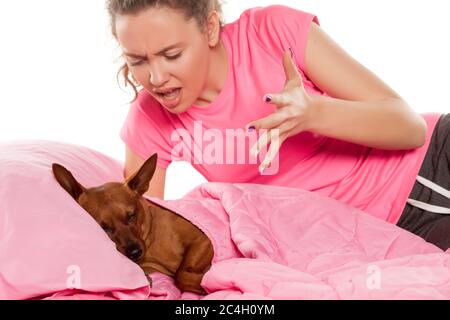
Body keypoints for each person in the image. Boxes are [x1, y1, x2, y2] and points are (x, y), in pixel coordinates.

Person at [106, 1, 449, 250]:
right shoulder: (149, 121)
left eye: (172, 54)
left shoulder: (269, 32)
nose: (156, 77)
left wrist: (315, 114)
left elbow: (409, 127)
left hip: (430, 159)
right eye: (137, 60)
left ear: (210, 28)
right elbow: (141, 229)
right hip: (386, 230)